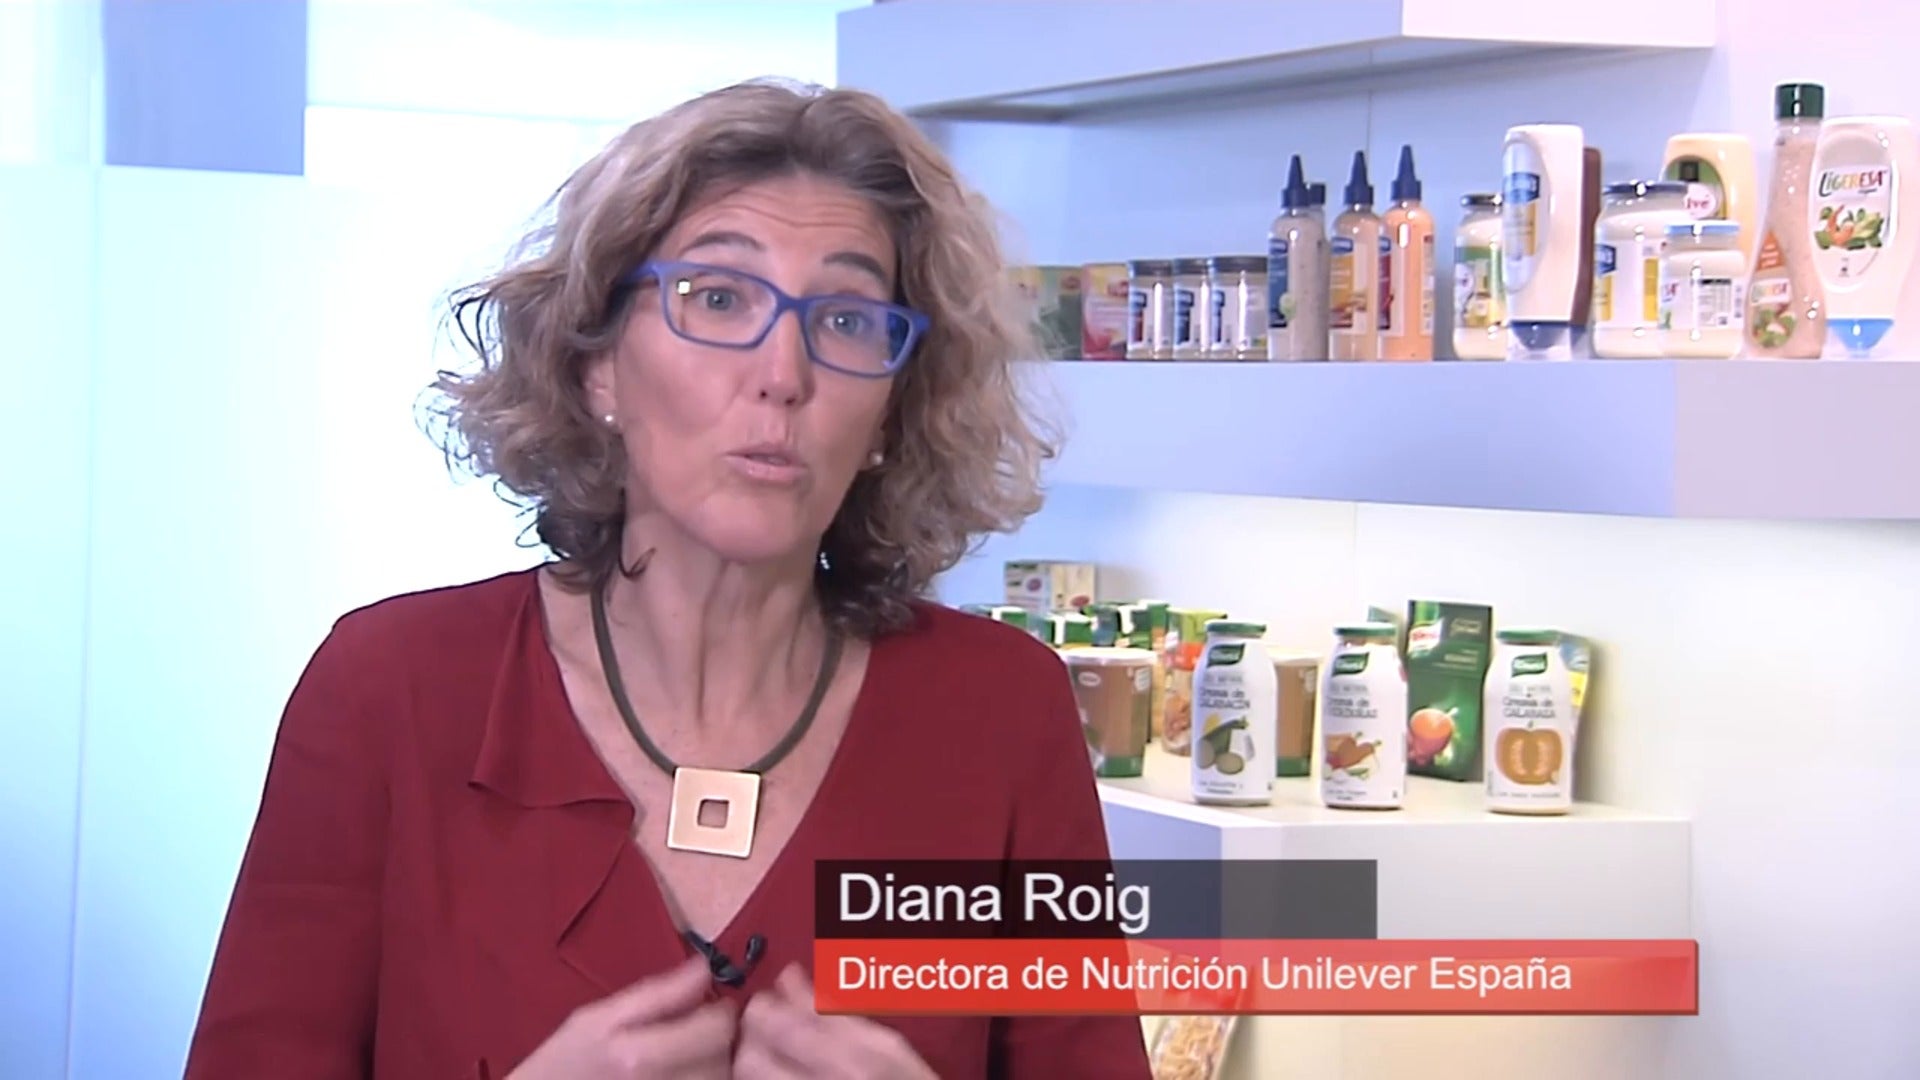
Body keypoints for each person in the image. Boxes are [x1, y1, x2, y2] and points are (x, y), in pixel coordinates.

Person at [183, 78, 1154, 1079]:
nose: (783, 374)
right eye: (718, 298)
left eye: (846, 319)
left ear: (891, 409)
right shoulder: (391, 689)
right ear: (597, 364)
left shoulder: (1000, 713)